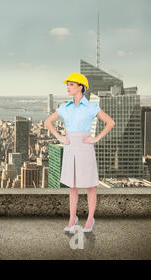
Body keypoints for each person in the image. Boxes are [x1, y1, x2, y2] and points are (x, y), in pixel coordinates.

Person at [44, 72, 115, 233]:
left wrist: (96, 138)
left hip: (85, 146)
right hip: (70, 147)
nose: (68, 87)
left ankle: (90, 218)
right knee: (73, 186)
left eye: (71, 84)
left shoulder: (91, 107)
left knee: (90, 185)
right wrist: (60, 137)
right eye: (67, 84)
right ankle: (72, 218)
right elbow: (48, 122)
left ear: (81, 87)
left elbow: (110, 122)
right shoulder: (65, 107)